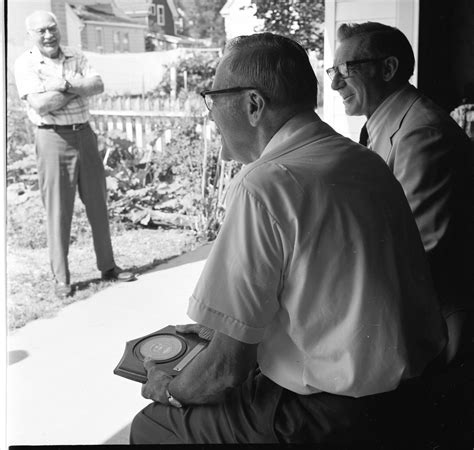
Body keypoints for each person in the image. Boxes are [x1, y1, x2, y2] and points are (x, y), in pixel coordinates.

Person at [129, 33, 448, 445]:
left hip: (328, 415)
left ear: (252, 104)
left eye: (212, 98)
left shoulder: (264, 185)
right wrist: (218, 330)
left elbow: (226, 371)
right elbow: (330, 294)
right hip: (410, 395)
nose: (210, 114)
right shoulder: (361, 160)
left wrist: (168, 388)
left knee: (152, 425)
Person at [328, 22, 474, 362]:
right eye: (333, 70)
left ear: (388, 68)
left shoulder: (421, 133)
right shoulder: (389, 122)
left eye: (346, 70)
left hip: (433, 319)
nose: (334, 83)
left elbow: (420, 246)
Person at [14, 11, 133, 298]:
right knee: (58, 210)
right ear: (31, 34)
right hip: (53, 138)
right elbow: (41, 105)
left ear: (58, 28)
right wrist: (78, 89)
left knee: (98, 205)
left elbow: (98, 85)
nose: (48, 35)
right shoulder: (25, 63)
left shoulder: (75, 55)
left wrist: (64, 86)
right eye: (41, 31)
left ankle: (108, 266)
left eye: (52, 28)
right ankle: (62, 279)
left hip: (85, 135)